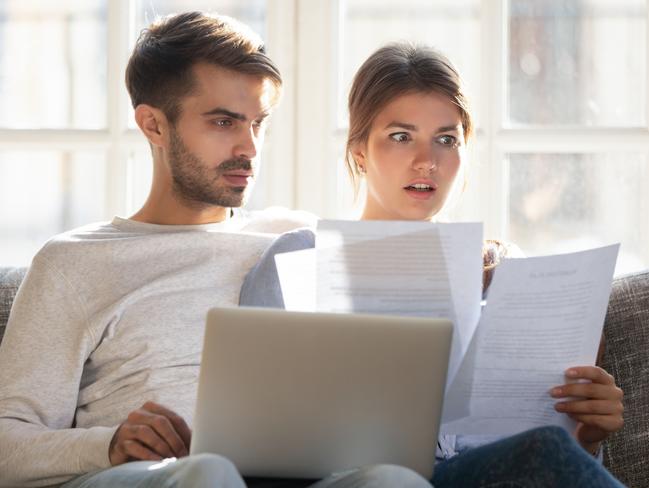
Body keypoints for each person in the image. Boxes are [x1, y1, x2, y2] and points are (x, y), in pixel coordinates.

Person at [0, 13, 431, 488]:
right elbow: (7, 443)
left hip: (292, 475)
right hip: (147, 476)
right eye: (224, 122)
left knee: (393, 480)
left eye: (258, 124)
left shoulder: (298, 239)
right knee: (210, 472)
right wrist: (108, 443)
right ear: (153, 125)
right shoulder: (73, 263)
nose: (248, 148)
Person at [240, 42, 625, 487]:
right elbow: (252, 434)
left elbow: (545, 457)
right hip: (354, 480)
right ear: (359, 151)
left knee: (547, 448)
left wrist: (589, 434)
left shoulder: (503, 271)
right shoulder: (299, 258)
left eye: (447, 139)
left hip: (488, 475)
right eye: (401, 137)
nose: (427, 161)